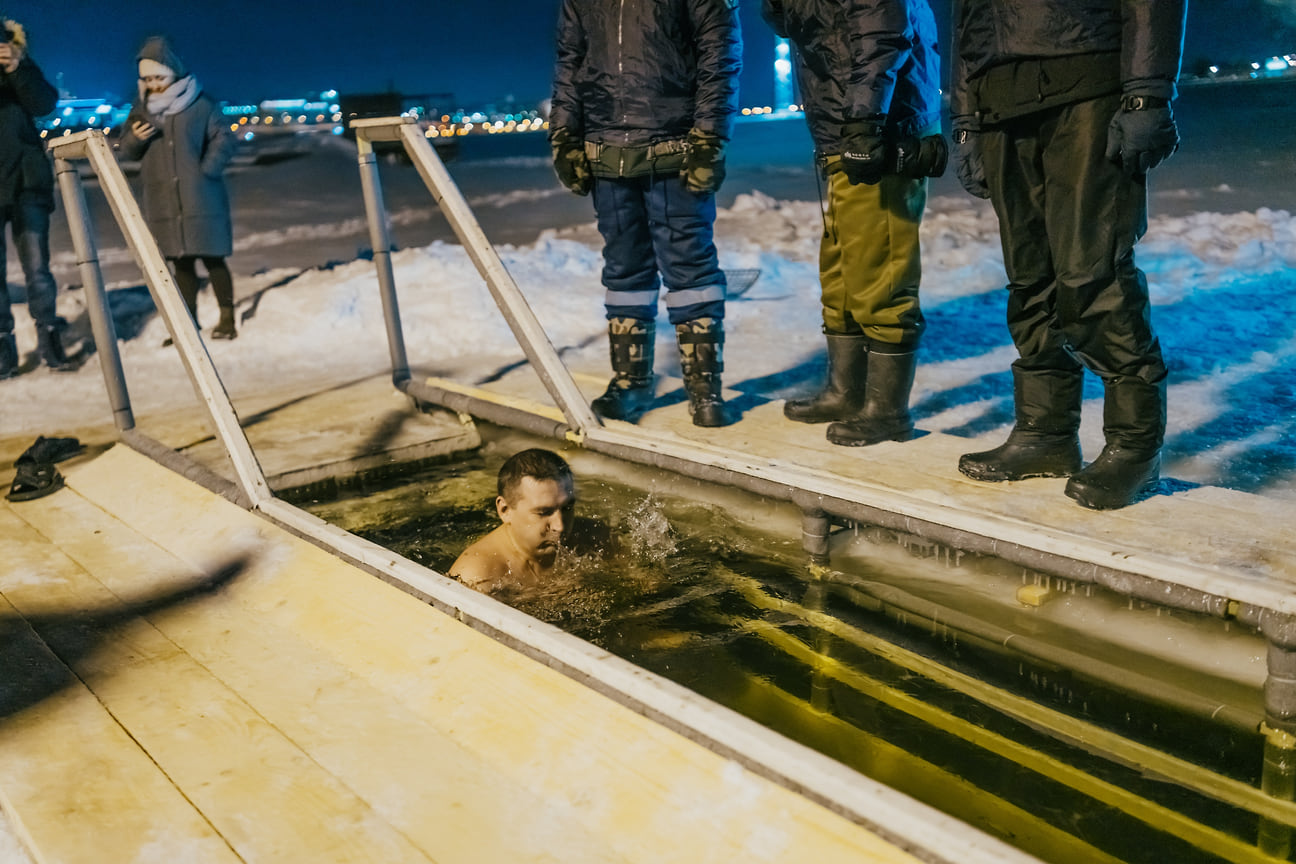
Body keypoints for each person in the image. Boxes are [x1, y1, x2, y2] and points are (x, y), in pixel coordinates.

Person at [950, 0, 1185, 510]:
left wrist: (1146, 93)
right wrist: (966, 119)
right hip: (999, 100)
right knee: (1030, 277)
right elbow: (967, 18)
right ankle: (1046, 433)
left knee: (1092, 272)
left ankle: (1134, 445)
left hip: (1087, 77)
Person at [548, 0, 743, 427]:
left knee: (689, 267)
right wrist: (563, 133)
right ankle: (631, 382)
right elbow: (570, 62)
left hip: (675, 147)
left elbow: (719, 54)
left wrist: (710, 136)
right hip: (605, 151)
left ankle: (705, 390)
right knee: (624, 270)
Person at [763, 0, 944, 447]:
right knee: (842, 274)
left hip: (879, 129)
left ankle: (887, 412)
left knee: (879, 273)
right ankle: (846, 392)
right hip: (842, 131)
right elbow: (787, 21)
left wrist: (864, 119)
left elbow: (882, 30)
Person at [117, 36, 240, 342]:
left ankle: (227, 320)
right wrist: (135, 138)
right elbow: (127, 151)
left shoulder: (201, 104)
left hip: (201, 197)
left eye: (159, 76)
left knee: (214, 259)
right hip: (165, 203)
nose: (154, 84)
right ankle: (189, 326)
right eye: (147, 78)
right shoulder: (141, 110)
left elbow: (224, 138)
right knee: (180, 264)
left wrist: (206, 171)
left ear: (173, 73)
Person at [0, 15, 73, 378]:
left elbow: (45, 104)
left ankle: (49, 336)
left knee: (38, 269)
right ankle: (3, 345)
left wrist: (18, 68)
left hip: (27, 183)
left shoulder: (18, 61)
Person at [450, 448, 609, 594]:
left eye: (567, 508)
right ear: (504, 510)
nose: (559, 526)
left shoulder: (595, 538)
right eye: (544, 512)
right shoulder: (476, 577)